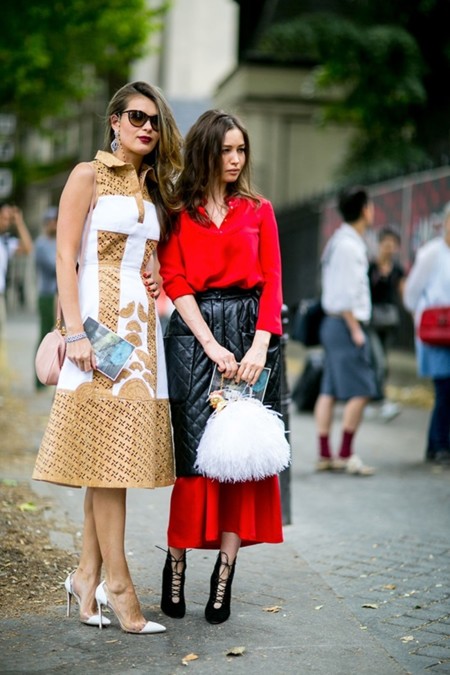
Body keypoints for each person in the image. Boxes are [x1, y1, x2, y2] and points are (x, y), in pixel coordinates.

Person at [33, 81, 183, 634]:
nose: (147, 127)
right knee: (108, 463)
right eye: (136, 116)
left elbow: (149, 260)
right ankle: (117, 585)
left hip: (140, 340)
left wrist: (158, 270)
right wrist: (74, 332)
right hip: (95, 331)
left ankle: (85, 575)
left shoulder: (150, 187)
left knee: (110, 461)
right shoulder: (85, 175)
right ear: (114, 121)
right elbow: (66, 257)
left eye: (155, 121)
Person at [154, 109, 284, 625]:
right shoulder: (179, 211)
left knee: (240, 458)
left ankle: (224, 576)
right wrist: (209, 344)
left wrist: (257, 347)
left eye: (241, 150)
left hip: (252, 333)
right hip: (193, 337)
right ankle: (177, 562)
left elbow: (273, 279)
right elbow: (174, 279)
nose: (235, 160)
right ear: (206, 151)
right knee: (192, 459)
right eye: (226, 150)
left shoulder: (260, 209)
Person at [314, 186, 378, 475]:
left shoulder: (338, 241)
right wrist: (356, 329)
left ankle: (327, 453)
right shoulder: (350, 246)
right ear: (365, 209)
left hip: (334, 323)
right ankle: (345, 453)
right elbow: (346, 295)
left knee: (329, 388)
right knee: (363, 388)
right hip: (345, 324)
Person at [404, 201, 450, 464]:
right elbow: (412, 293)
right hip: (437, 332)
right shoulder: (432, 253)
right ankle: (437, 445)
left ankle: (441, 443)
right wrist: (422, 316)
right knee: (444, 388)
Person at [368, 227, 405, 421]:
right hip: (372, 323)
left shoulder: (397, 269)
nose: (389, 248)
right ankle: (379, 400)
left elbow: (404, 293)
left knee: (383, 362)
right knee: (378, 362)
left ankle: (375, 398)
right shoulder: (370, 267)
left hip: (389, 323)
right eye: (386, 243)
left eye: (393, 244)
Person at [0, 204, 33, 341]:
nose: (6, 223)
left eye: (9, 220)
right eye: (4, 218)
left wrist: (19, 222)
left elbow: (27, 248)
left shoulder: (6, 242)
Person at [34, 206, 58, 389]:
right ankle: (39, 380)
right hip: (47, 294)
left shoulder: (58, 241)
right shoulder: (42, 244)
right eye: (51, 221)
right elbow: (54, 266)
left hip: (58, 294)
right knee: (45, 335)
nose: (54, 224)